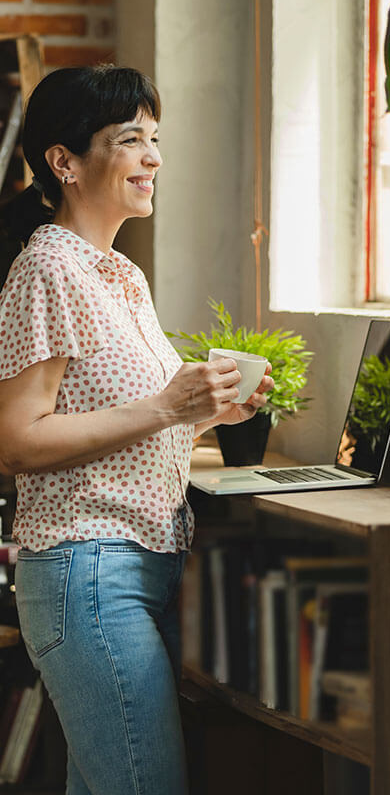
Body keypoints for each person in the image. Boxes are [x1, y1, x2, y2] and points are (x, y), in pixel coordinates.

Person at [0, 65, 273, 795]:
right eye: (131, 140)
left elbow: (118, 420)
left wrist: (210, 411)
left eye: (156, 139)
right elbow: (19, 439)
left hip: (137, 569)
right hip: (89, 572)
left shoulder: (119, 274)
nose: (154, 157)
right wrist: (164, 408)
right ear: (64, 162)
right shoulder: (48, 270)